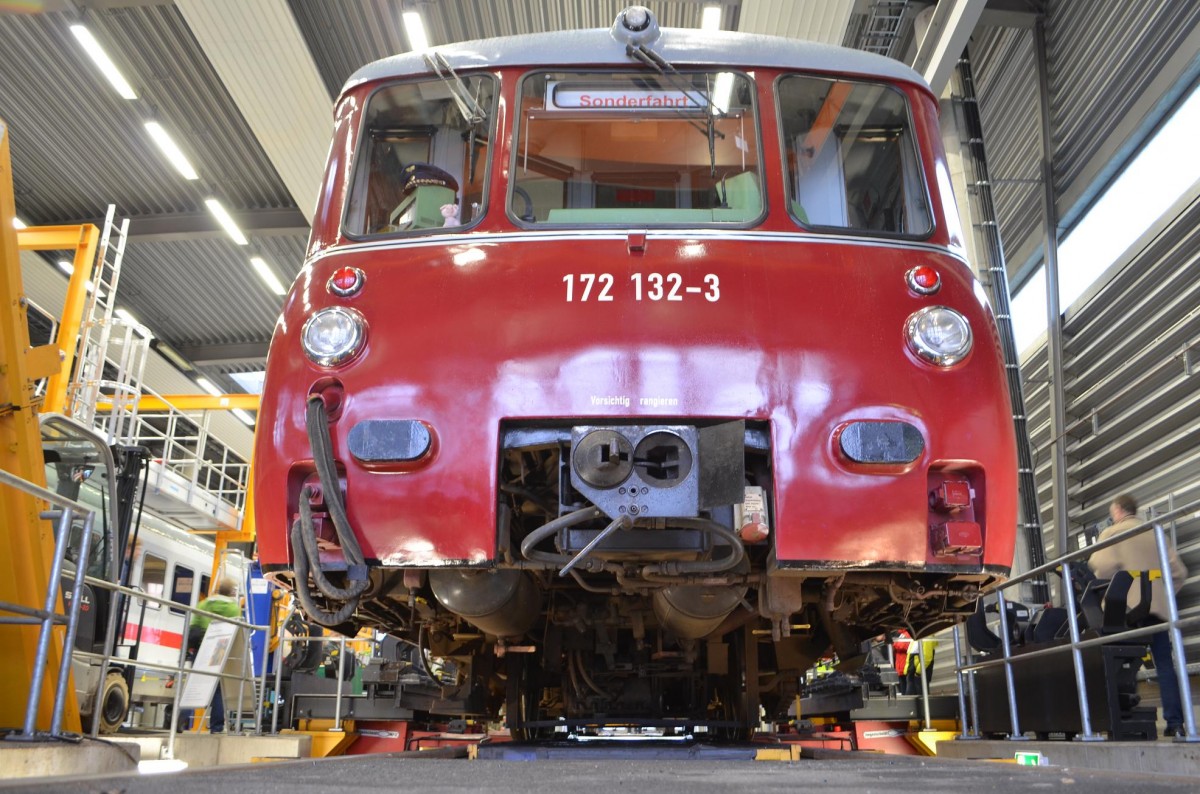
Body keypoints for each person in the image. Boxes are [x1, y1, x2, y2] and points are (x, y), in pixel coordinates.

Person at [1088, 493, 1189, 738]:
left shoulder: (1112, 534)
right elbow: (1179, 572)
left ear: (1119, 511)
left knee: (1123, 661)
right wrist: (1163, 594)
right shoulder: (1155, 531)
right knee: (1164, 664)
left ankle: (1127, 718)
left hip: (1126, 609)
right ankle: (1175, 723)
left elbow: (1098, 567)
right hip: (1156, 610)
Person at [180, 579, 241, 733]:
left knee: (194, 685)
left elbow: (194, 627)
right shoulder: (233, 608)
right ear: (231, 592)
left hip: (202, 648)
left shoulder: (204, 603)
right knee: (219, 690)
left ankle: (180, 719)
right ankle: (216, 727)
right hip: (220, 648)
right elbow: (236, 630)